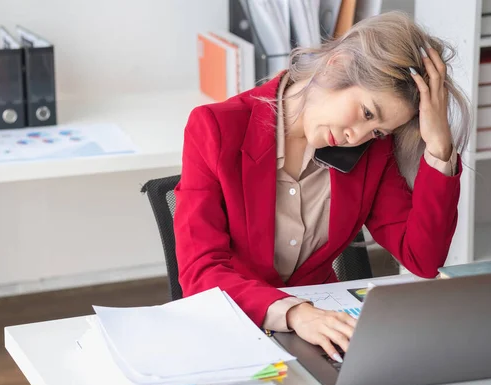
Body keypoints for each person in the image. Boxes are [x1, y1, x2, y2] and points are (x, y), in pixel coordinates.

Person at [173, 11, 470, 362]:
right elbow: (200, 270)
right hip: (235, 327)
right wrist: (295, 313)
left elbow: (422, 259)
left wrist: (439, 146)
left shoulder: (371, 152)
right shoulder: (215, 128)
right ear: (336, 65)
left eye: (377, 131)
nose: (357, 137)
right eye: (367, 113)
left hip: (322, 334)